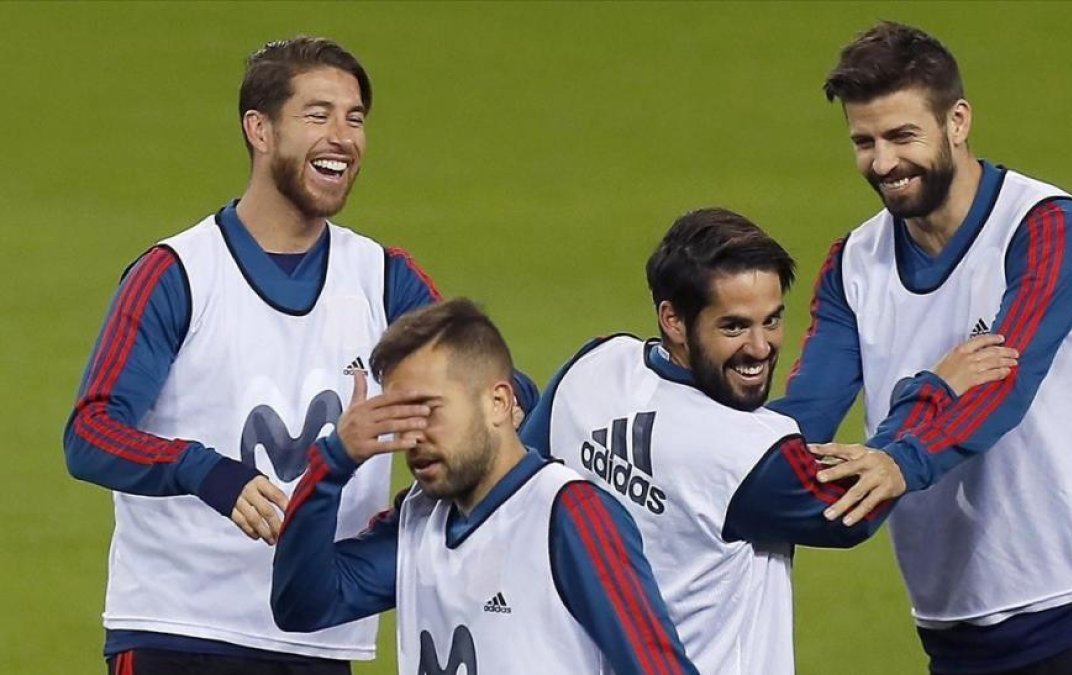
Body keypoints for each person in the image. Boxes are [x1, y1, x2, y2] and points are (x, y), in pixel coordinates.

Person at [63, 37, 533, 673]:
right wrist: (207, 472)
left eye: (355, 118)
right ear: (259, 129)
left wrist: (480, 433)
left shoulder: (382, 277)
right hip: (178, 631)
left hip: (317, 634)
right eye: (318, 115)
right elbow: (91, 432)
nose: (342, 136)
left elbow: (488, 389)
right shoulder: (178, 274)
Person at [772, 21, 1072, 675]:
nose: (882, 163)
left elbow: (1001, 383)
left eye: (902, 136)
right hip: (959, 634)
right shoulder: (853, 264)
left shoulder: (1050, 230)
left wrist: (897, 456)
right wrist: (729, 463)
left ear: (957, 121)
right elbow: (805, 416)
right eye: (863, 141)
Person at [520, 207, 1015, 674]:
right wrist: (935, 392)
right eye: (733, 326)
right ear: (673, 320)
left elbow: (523, 481)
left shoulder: (593, 367)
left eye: (772, 319)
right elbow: (858, 497)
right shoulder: (745, 455)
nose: (759, 348)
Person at [271, 298, 698, 674]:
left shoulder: (567, 514)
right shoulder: (420, 521)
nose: (412, 436)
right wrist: (333, 463)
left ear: (498, 402)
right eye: (399, 417)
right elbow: (303, 605)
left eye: (428, 411)